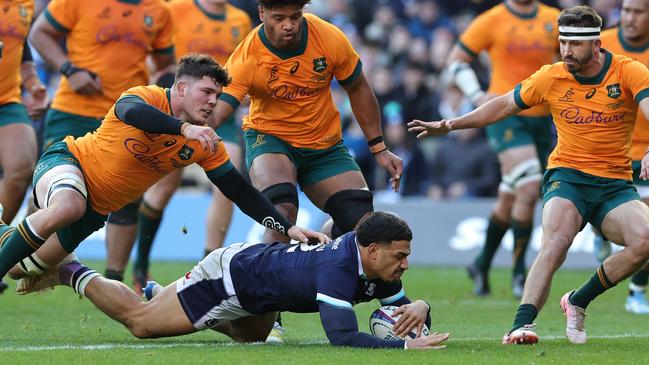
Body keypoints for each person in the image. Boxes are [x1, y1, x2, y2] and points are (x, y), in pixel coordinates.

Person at [409, 6, 649, 345]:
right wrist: (450, 124)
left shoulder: (628, 71)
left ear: (596, 45)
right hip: (568, 177)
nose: (566, 51)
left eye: (574, 45)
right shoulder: (550, 76)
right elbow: (502, 105)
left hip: (615, 184)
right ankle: (520, 325)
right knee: (556, 241)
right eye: (562, 42)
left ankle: (577, 300)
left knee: (646, 240)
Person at [0, 54, 328, 294]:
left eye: (218, 96)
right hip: (68, 163)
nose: (214, 102)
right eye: (207, 93)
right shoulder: (148, 97)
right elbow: (131, 113)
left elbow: (239, 192)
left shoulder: (206, 142)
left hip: (95, 210)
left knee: (19, 268)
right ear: (181, 88)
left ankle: (3, 228)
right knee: (67, 206)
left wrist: (288, 227)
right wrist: (183, 128)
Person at [211, 0, 404, 340]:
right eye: (279, 18)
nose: (288, 25)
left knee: (361, 224)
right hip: (270, 139)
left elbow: (358, 87)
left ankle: (335, 246)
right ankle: (272, 315)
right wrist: (193, 130)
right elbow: (219, 111)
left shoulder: (328, 38)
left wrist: (379, 147)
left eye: (295, 17)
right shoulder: (248, 56)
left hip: (324, 146)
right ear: (261, 14)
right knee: (282, 212)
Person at [16, 211, 451, 350]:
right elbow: (342, 337)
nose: (405, 265)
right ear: (372, 252)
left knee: (252, 341)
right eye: (400, 256)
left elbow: (400, 301)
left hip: (260, 293)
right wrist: (403, 344)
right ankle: (68, 268)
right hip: (230, 278)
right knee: (143, 324)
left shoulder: (374, 262)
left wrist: (421, 307)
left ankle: (162, 294)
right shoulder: (339, 268)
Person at [29, 0, 177, 283]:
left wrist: (168, 87)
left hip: (129, 116)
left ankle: (113, 279)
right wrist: (70, 69)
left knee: (128, 197)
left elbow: (165, 64)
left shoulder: (159, 11)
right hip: (74, 109)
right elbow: (39, 33)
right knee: (53, 186)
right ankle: (27, 253)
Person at [124, 0, 253, 293]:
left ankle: (207, 268)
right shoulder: (176, 10)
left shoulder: (239, 21)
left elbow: (241, 69)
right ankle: (141, 268)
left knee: (227, 183)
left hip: (222, 113)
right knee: (164, 189)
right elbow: (157, 56)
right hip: (179, 112)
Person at [444, 0, 560, 298]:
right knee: (531, 184)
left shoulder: (553, 18)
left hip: (543, 119)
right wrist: (476, 94)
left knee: (511, 195)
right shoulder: (491, 19)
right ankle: (520, 272)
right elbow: (455, 61)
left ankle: (481, 264)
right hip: (505, 117)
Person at [594, 0, 649, 315]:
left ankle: (637, 291)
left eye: (639, 11)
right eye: (626, 10)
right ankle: (598, 229)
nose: (630, 18)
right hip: (609, 149)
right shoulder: (604, 44)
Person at [0, 0, 48, 294]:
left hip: (7, 99)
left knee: (21, 168)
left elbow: (22, 46)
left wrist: (32, 83)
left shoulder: (26, 4)